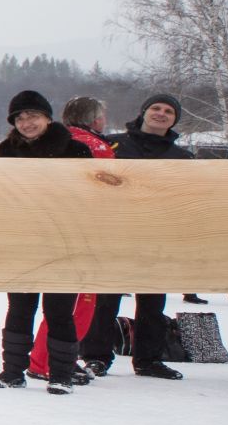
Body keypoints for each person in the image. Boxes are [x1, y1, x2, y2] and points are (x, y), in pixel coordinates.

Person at [0, 91, 93, 394]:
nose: (26, 122)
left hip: (64, 240)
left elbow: (88, 196)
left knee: (58, 310)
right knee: (19, 308)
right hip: (22, 240)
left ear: (47, 117)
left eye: (32, 115)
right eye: (19, 117)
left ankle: (62, 375)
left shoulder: (75, 150)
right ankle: (12, 371)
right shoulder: (6, 152)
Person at [78, 94, 194, 380]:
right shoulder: (113, 144)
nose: (161, 113)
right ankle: (96, 357)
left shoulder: (183, 157)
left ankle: (148, 360)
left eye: (168, 111)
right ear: (144, 112)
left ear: (174, 119)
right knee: (105, 299)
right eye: (156, 108)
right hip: (113, 232)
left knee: (153, 302)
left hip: (157, 235)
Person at [28, 96, 113, 380]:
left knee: (59, 305)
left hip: (55, 232)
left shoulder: (57, 140)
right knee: (75, 307)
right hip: (86, 233)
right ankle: (48, 362)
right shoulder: (94, 147)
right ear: (95, 119)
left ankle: (48, 360)